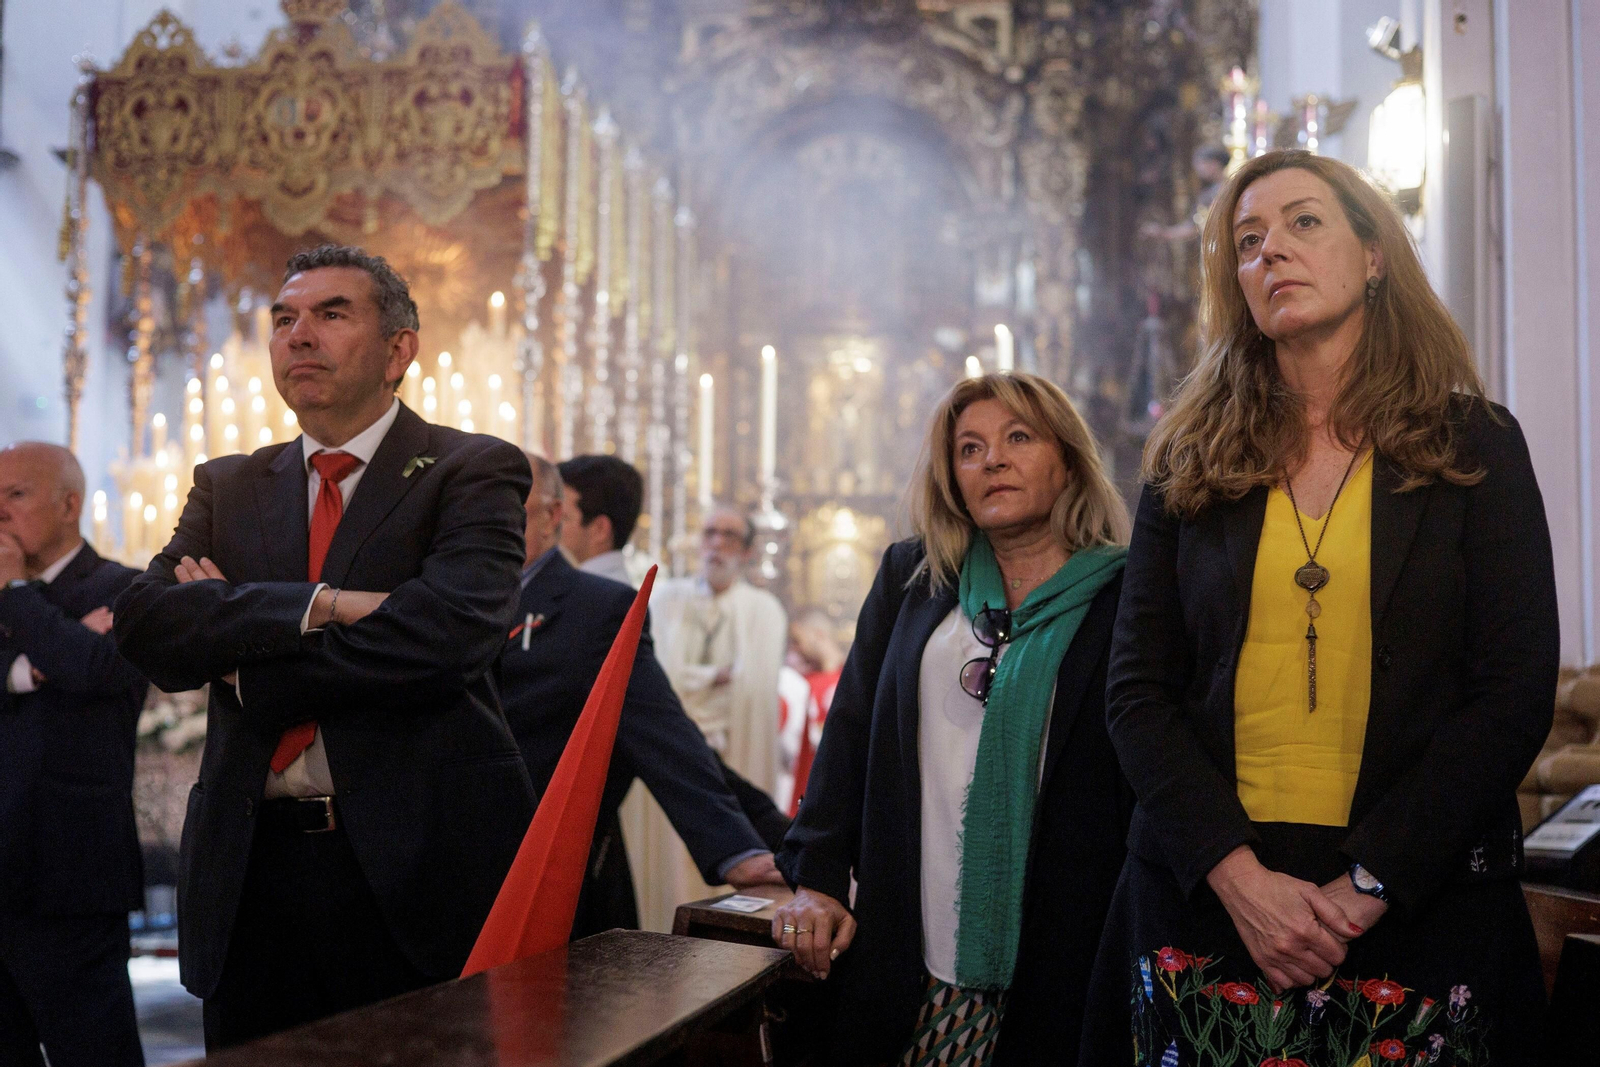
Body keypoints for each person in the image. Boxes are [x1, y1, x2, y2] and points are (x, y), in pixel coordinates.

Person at [1082, 150, 1557, 1067]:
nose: (1271, 253)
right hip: (1212, 896)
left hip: (1417, 897)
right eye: (1248, 242)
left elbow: (1512, 691)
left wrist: (1369, 883)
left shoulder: (1476, 445)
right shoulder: (1188, 460)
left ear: (1374, 253)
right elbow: (1135, 693)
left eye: (1304, 223)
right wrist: (1239, 877)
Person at [113, 245, 536, 1048]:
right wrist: (324, 606)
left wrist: (241, 653)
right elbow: (148, 628)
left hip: (414, 868)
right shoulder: (230, 485)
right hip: (250, 873)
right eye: (284, 318)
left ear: (399, 348)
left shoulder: (469, 469)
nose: (298, 334)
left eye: (332, 314)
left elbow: (445, 639)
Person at [774, 372, 1134, 1067]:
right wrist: (816, 873)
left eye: (1017, 438)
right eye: (969, 449)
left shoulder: (1124, 593)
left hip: (1069, 934)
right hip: (911, 930)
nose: (991, 460)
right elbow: (849, 728)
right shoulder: (915, 579)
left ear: (1067, 459)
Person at [501, 454, 784, 939]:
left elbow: (666, 732)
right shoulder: (461, 593)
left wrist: (752, 843)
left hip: (553, 862)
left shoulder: (604, 603)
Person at [0, 443, 147, 1067]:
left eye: (15, 495)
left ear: (69, 505)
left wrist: (12, 590)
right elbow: (65, 659)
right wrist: (38, 667)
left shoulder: (127, 588)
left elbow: (95, 666)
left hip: (72, 868)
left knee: (94, 1052)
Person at [625, 505, 788, 931]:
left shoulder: (764, 611)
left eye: (730, 536)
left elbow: (752, 688)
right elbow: (654, 684)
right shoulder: (663, 598)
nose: (717, 544)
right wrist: (711, 679)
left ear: (748, 551)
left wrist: (693, 686)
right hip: (675, 754)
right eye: (711, 533)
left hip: (735, 752)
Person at [557, 454, 642, 586]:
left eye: (563, 518)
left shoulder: (595, 598)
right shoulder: (608, 592)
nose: (550, 525)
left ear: (600, 529)